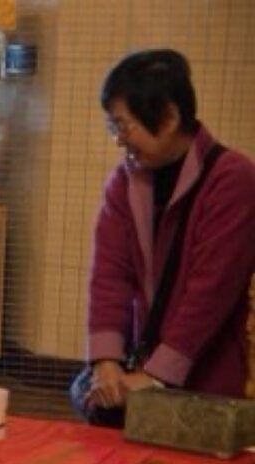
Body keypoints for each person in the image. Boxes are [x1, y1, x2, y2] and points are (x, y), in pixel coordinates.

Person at [83, 49, 255, 416]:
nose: (118, 140)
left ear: (170, 117)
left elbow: (210, 292)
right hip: (138, 371)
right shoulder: (122, 182)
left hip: (207, 387)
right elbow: (109, 275)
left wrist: (156, 375)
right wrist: (106, 362)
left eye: (124, 126)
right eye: (113, 127)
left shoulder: (233, 179)